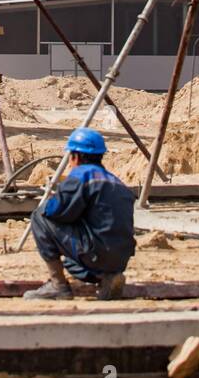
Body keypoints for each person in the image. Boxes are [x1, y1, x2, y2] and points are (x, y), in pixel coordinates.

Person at [24, 127, 135, 301]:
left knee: (39, 216)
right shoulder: (116, 181)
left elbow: (55, 212)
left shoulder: (81, 176)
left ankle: (58, 286)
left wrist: (56, 197)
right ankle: (108, 278)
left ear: (75, 156)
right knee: (71, 262)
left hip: (96, 253)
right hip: (121, 258)